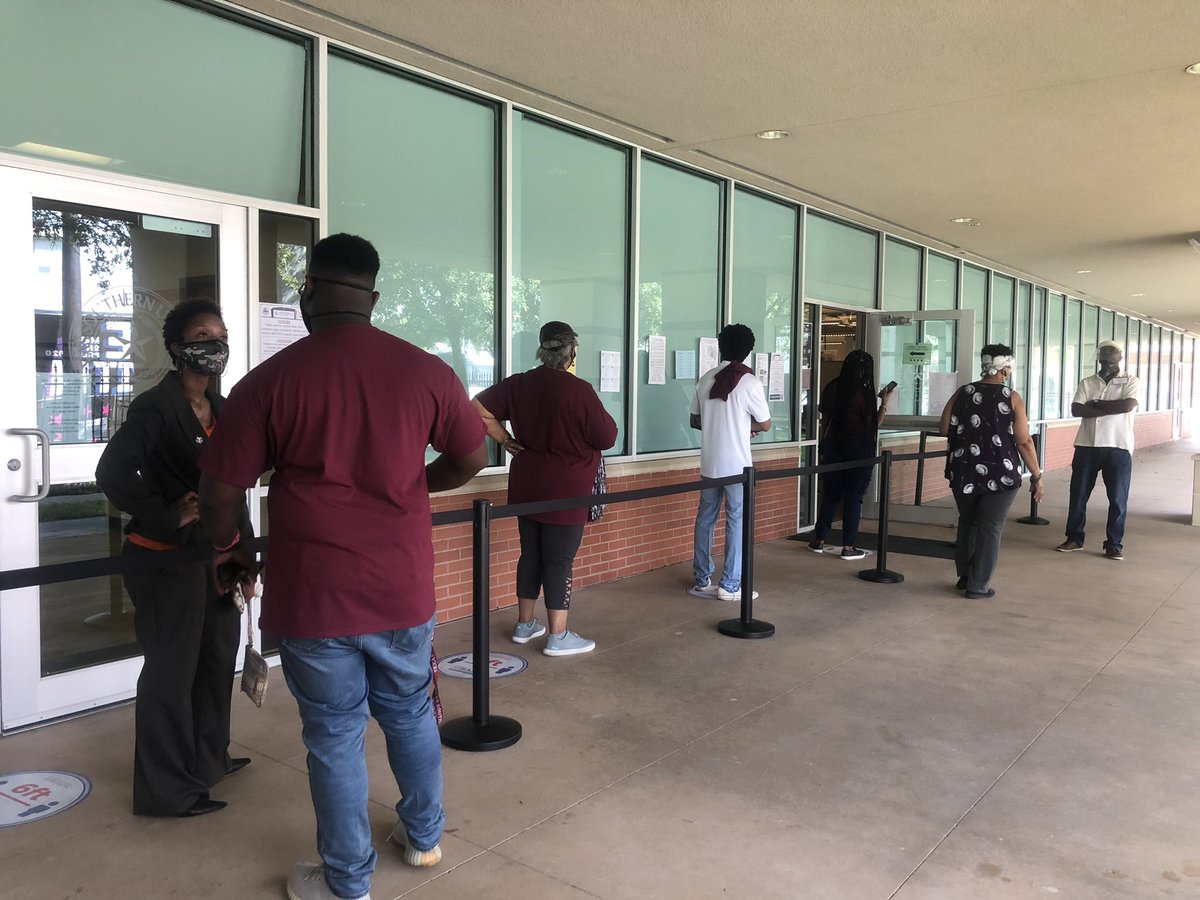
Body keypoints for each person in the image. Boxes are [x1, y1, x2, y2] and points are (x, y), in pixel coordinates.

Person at [197, 234, 487, 900]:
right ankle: (422, 839)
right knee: (411, 714)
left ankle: (348, 882)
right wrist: (418, 484)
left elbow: (219, 492)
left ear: (308, 296)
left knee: (333, 735)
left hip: (314, 597)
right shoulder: (427, 372)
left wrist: (228, 550)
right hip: (401, 589)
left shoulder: (268, 382)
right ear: (373, 297)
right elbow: (470, 459)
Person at [95, 298, 252, 818]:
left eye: (221, 335)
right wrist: (166, 514)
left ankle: (208, 761)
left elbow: (233, 489)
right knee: (170, 673)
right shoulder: (155, 406)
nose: (216, 345)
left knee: (214, 662)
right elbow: (113, 473)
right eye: (204, 335)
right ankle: (166, 790)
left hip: (214, 560)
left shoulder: (224, 408)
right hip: (164, 563)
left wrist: (244, 559)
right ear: (176, 348)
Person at [473, 321, 618, 657]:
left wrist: (506, 440)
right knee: (559, 561)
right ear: (572, 352)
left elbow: (477, 409)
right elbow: (607, 437)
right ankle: (558, 635)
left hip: (527, 485)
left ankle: (525, 625)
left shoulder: (520, 384)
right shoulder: (578, 390)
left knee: (532, 554)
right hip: (567, 489)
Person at [939, 344, 1043, 599]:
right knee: (991, 527)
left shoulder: (963, 392)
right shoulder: (1011, 397)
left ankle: (965, 577)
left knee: (968, 522)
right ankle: (979, 585)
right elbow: (1024, 441)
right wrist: (1037, 475)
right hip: (1001, 473)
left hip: (963, 472)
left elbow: (943, 428)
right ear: (1006, 369)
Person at [688, 324, 771, 602]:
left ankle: (702, 580)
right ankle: (730, 585)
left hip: (710, 463)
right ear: (748, 351)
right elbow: (766, 423)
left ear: (721, 347)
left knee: (705, 520)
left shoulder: (705, 379)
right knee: (736, 522)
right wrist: (746, 426)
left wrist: (717, 423)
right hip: (738, 466)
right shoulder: (749, 382)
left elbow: (694, 420)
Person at [1056, 340, 1139, 560]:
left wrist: (1095, 405)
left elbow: (1127, 406)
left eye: (1112, 355)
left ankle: (1114, 544)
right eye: (1104, 355)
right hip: (1087, 446)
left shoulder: (1130, 380)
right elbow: (1076, 409)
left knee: (1118, 499)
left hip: (1118, 447)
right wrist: (1110, 407)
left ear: (1120, 357)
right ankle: (1074, 537)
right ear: (1099, 357)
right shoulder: (1087, 382)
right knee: (1078, 495)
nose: (1108, 359)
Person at [807, 349, 893, 560]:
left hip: (833, 447)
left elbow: (824, 414)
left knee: (831, 493)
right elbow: (874, 424)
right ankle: (848, 546)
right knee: (854, 498)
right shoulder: (863, 393)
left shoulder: (832, 387)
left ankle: (819, 539)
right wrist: (884, 403)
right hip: (859, 448)